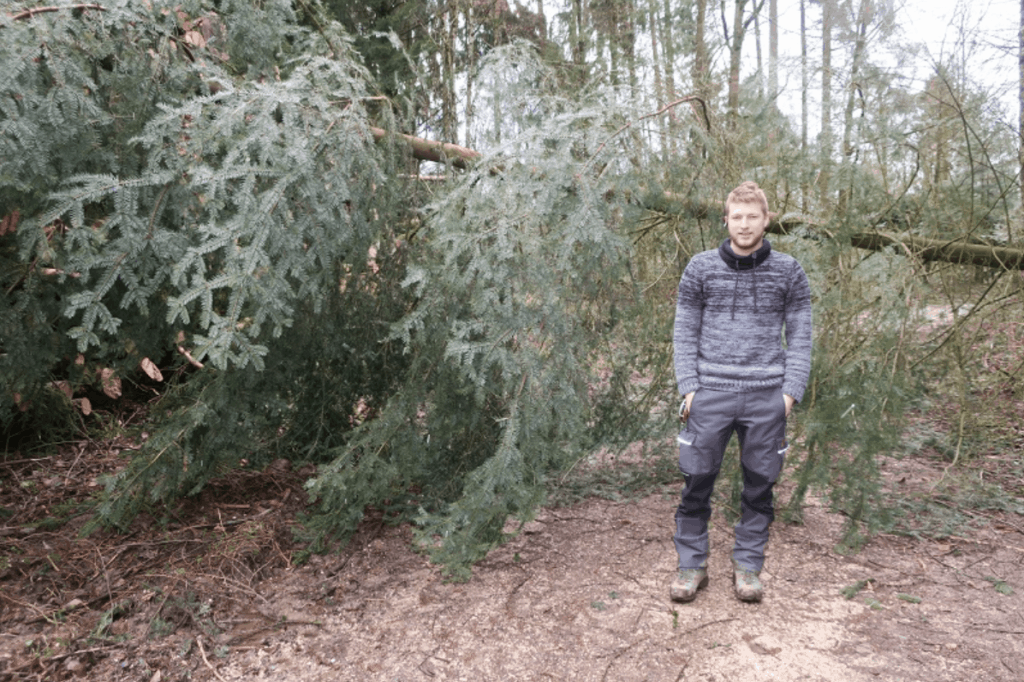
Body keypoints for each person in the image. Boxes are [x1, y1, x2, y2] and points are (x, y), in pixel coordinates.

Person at [669, 181, 812, 603]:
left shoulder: (789, 271)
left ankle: (748, 567)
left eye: (753, 216)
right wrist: (689, 388)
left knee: (759, 485)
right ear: (726, 220)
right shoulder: (700, 268)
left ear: (766, 220)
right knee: (696, 481)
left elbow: (801, 336)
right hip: (709, 393)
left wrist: (790, 393)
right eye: (737, 216)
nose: (745, 224)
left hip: (766, 396)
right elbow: (684, 331)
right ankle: (691, 566)